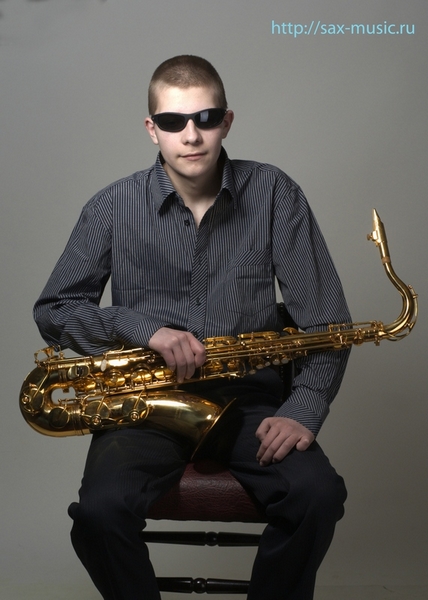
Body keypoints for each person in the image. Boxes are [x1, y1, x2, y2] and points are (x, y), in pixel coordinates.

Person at [33, 55, 351, 600]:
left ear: (226, 121)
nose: (191, 135)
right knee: (101, 512)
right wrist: (142, 328)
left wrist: (305, 406)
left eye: (206, 118)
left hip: (250, 402)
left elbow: (326, 320)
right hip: (145, 403)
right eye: (173, 121)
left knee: (318, 497)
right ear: (151, 128)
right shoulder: (111, 206)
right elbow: (54, 310)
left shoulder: (275, 193)